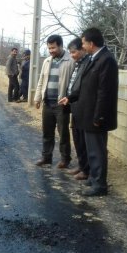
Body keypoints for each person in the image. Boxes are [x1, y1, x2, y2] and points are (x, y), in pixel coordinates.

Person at [73, 27, 118, 196]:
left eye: (83, 43)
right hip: (88, 114)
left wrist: (99, 116)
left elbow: (104, 92)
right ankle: (93, 177)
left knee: (97, 151)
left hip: (96, 116)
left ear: (91, 43)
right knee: (91, 150)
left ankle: (100, 185)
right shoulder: (94, 58)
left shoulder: (106, 60)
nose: (82, 46)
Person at [34, 35, 75, 169]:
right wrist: (37, 98)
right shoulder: (47, 61)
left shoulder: (70, 60)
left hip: (61, 104)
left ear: (61, 45)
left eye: (53, 47)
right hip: (47, 102)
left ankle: (65, 159)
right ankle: (46, 157)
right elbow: (41, 80)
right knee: (47, 132)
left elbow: (74, 83)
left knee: (63, 133)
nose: (51, 50)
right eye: (49, 48)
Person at [58, 38, 90, 180]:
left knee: (83, 141)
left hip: (82, 107)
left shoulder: (87, 64)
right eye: (70, 52)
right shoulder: (78, 64)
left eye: (74, 52)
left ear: (83, 50)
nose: (72, 55)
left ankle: (86, 169)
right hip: (73, 105)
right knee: (77, 139)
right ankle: (81, 165)